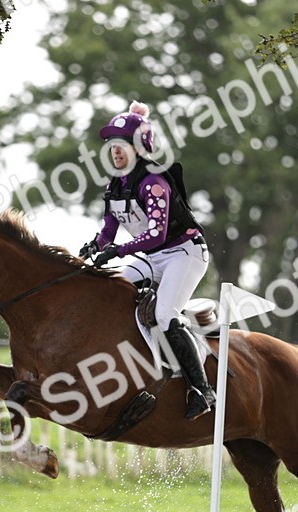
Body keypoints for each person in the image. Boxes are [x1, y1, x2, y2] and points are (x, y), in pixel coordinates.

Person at [80, 101, 216, 420]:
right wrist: (93, 247)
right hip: (153, 257)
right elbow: (108, 231)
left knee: (166, 314)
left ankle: (202, 389)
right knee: (111, 293)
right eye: (112, 144)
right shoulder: (115, 185)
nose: (115, 150)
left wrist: (119, 252)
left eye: (122, 144)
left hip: (185, 253)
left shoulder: (152, 181)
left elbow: (156, 234)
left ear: (139, 146)